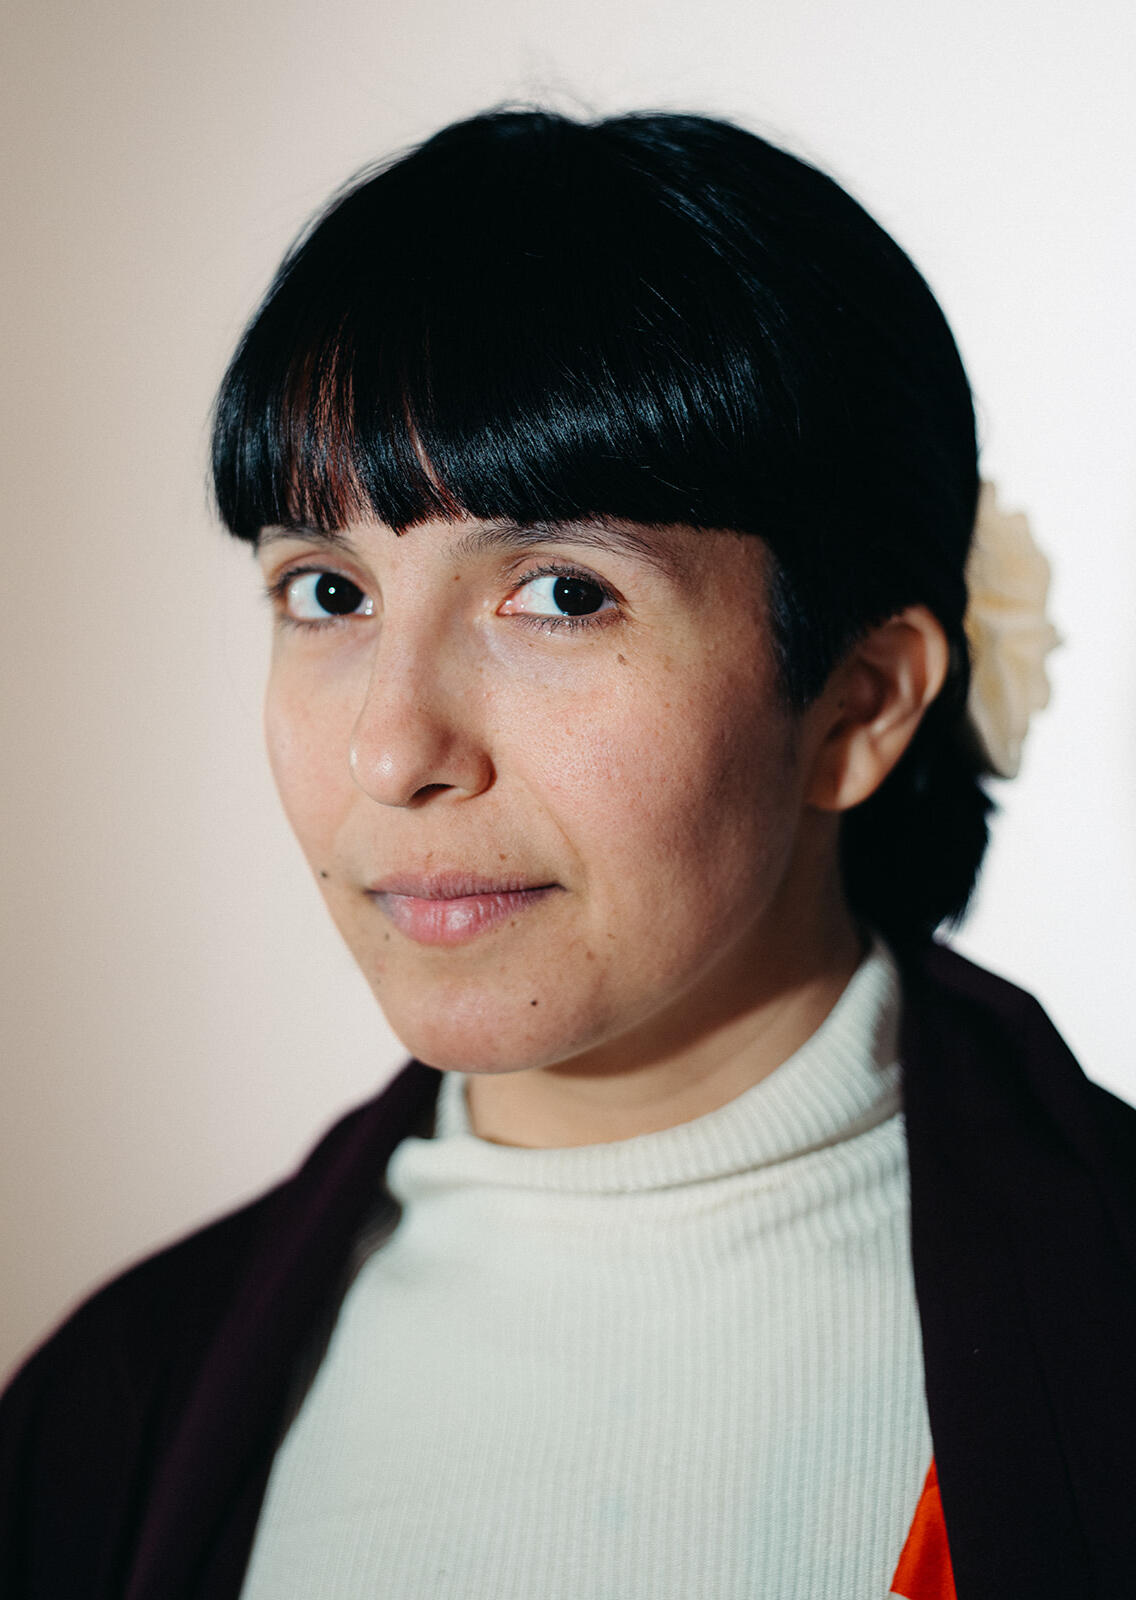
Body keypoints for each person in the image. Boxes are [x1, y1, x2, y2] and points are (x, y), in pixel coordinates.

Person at [1, 107, 1134, 1600]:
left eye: (561, 594)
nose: (393, 752)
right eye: (329, 593)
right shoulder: (103, 1419)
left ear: (860, 704)